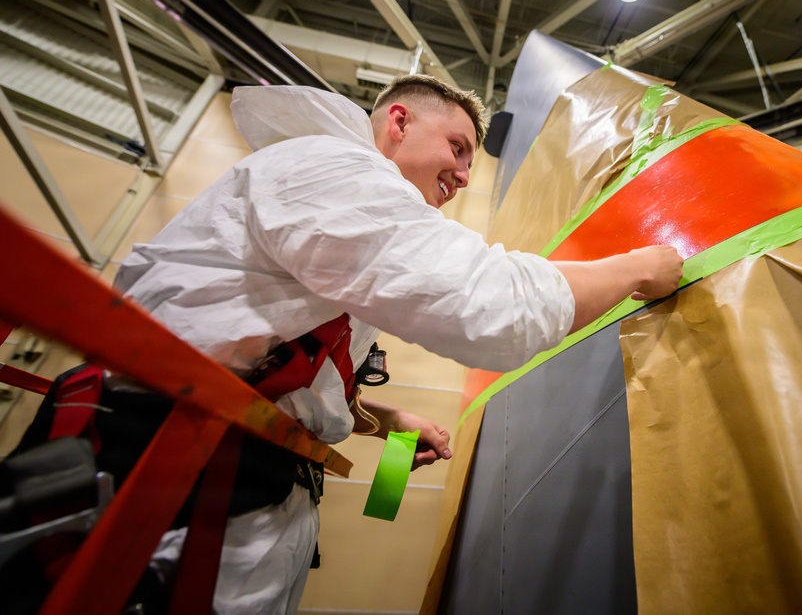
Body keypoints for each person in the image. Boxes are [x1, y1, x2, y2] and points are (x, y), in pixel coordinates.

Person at [112, 75, 683, 613]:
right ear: (400, 122)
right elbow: (492, 304)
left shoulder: (339, 208)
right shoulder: (336, 171)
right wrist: (634, 268)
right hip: (176, 475)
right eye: (457, 148)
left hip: (224, 473)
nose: (463, 176)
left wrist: (382, 419)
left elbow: (279, 368)